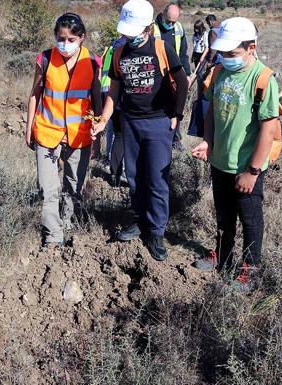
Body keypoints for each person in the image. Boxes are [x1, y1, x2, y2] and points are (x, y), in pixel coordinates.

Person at [91, 0, 189, 261]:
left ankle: (156, 231)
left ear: (147, 27)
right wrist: (103, 120)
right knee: (134, 177)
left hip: (158, 122)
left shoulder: (162, 48)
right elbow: (114, 91)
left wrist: (176, 116)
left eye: (132, 31)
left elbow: (182, 81)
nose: (127, 36)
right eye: (125, 31)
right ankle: (139, 220)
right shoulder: (120, 50)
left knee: (157, 180)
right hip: (130, 121)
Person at [190, 17, 281, 293]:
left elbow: (268, 130)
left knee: (250, 218)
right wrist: (208, 142)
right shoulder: (218, 72)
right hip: (220, 160)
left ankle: (250, 268)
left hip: (247, 167)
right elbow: (211, 112)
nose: (226, 58)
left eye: (233, 53)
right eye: (223, 53)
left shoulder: (263, 79)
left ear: (251, 47)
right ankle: (222, 254)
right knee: (223, 213)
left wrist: (252, 171)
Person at [25, 13, 102, 247]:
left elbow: (97, 102)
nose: (65, 44)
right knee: (48, 189)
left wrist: (97, 137)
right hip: (47, 133)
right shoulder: (45, 59)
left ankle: (67, 222)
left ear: (82, 38)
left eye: (71, 39)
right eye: (61, 38)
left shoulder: (92, 62)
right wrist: (29, 128)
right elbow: (34, 94)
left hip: (80, 134)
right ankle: (53, 236)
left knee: (73, 186)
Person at [153, 3, 191, 149]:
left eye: (173, 22)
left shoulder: (179, 28)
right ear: (162, 14)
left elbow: (183, 53)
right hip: (157, 75)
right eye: (168, 21)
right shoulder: (152, 28)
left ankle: (175, 138)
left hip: (174, 75)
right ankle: (160, 138)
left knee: (176, 106)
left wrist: (186, 74)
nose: (170, 24)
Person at [100, 36, 127, 186]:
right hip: (120, 94)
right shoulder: (126, 47)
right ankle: (124, 174)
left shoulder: (112, 46)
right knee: (124, 136)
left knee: (117, 134)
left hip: (107, 92)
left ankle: (114, 174)